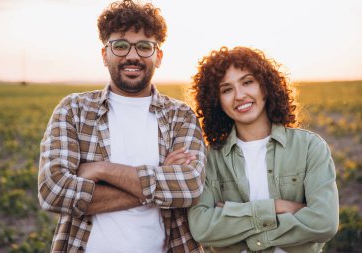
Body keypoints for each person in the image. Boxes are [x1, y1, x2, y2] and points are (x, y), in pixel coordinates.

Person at [38, 0, 206, 252]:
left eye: (144, 47)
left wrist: (102, 170)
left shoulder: (180, 116)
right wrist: (160, 176)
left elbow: (190, 186)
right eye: (120, 45)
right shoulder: (74, 109)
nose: (132, 56)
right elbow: (54, 191)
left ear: (158, 56)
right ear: (105, 54)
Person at [188, 46, 339, 253]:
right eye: (227, 89)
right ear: (217, 102)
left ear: (265, 86)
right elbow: (202, 228)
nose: (239, 95)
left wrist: (236, 220)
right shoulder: (210, 158)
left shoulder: (310, 147)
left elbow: (324, 223)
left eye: (247, 82)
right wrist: (279, 207)